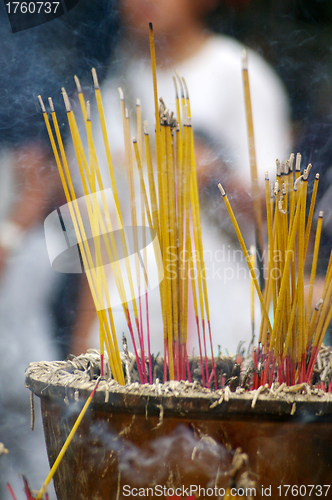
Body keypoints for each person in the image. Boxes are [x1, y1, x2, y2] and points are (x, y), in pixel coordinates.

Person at [70, 0, 293, 359]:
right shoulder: (110, 93)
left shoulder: (238, 72)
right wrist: (80, 344)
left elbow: (281, 212)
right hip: (127, 325)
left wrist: (211, 173)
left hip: (221, 325)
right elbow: (98, 235)